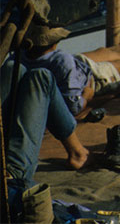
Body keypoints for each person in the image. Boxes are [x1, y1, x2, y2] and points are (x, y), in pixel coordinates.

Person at [2, 59, 90, 222]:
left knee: (13, 68)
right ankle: (77, 152)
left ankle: (77, 152)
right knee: (41, 78)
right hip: (9, 177)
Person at [21, 27, 120, 118]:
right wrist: (87, 95)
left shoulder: (23, 57)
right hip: (91, 80)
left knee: (103, 52)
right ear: (54, 43)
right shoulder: (62, 61)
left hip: (76, 68)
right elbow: (73, 107)